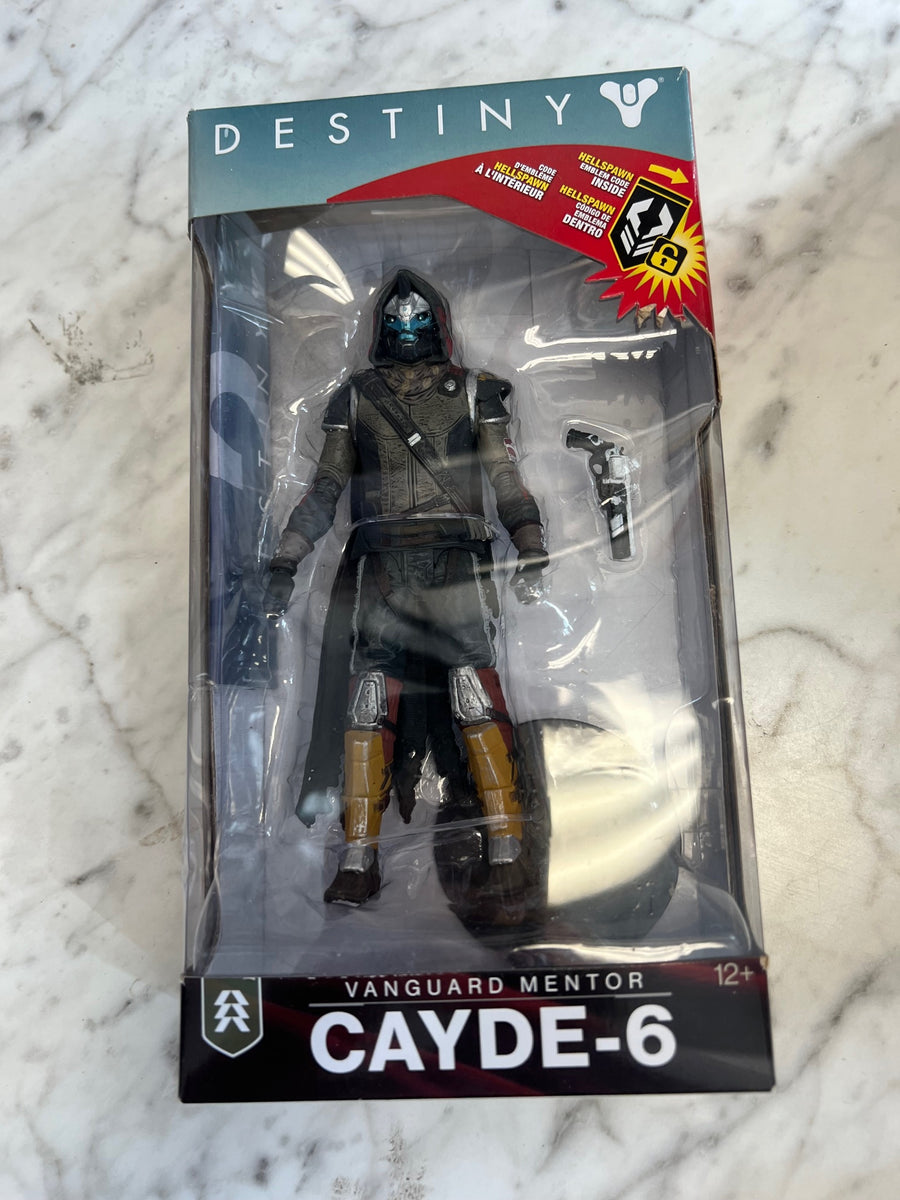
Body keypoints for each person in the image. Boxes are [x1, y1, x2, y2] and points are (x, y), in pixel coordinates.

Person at [265, 269, 547, 907]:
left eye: (419, 320)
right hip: (383, 565)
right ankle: (358, 857)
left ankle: (507, 846)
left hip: (456, 561)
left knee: (474, 691)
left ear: (437, 323)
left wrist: (529, 540)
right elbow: (326, 488)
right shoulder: (356, 397)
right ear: (382, 328)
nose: (409, 328)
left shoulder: (476, 390)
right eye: (399, 321)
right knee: (369, 700)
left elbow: (504, 474)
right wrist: (287, 557)